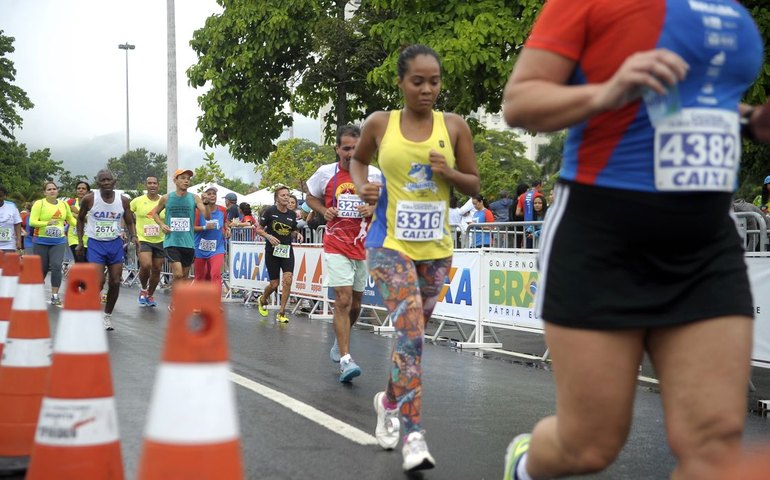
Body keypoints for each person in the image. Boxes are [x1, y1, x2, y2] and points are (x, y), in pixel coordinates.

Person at [500, 2, 763, 479]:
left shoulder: (730, 9)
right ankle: (525, 466)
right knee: (589, 445)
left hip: (705, 246)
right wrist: (609, 90)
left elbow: (695, 102)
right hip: (602, 240)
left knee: (714, 449)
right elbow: (519, 103)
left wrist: (750, 120)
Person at [350, 44, 480, 472]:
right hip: (388, 245)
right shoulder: (380, 123)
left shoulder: (454, 126)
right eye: (418, 82)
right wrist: (363, 185)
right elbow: (358, 161)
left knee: (412, 340)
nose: (427, 90)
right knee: (410, 336)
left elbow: (474, 185)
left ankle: (389, 402)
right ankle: (414, 435)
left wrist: (449, 173)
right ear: (401, 83)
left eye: (434, 82)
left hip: (437, 251)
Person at [305, 124, 381, 383]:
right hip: (335, 244)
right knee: (343, 299)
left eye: (356, 148)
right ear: (337, 149)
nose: (351, 153)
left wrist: (373, 209)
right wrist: (323, 210)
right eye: (346, 148)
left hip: (363, 245)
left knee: (356, 304)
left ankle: (340, 343)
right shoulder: (325, 173)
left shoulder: (375, 175)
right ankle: (346, 360)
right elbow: (310, 197)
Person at [77, 169, 138, 330]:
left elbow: (129, 220)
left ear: (114, 181)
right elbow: (80, 219)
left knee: (115, 281)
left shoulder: (123, 200)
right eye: (102, 180)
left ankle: (107, 316)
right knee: (98, 281)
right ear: (98, 183)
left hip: (114, 244)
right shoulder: (90, 199)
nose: (106, 183)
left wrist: (134, 236)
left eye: (108, 180)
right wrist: (80, 242)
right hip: (95, 244)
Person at [150, 169, 209, 307]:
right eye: (182, 178)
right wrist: (162, 225)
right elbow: (154, 213)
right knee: (177, 274)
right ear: (175, 180)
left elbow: (207, 216)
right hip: (172, 241)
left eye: (188, 178)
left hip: (188, 243)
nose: (186, 180)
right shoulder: (166, 198)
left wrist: (206, 204)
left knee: (184, 275)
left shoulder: (194, 198)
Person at [255, 186, 303, 323]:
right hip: (272, 251)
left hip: (287, 250)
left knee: (288, 280)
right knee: (274, 284)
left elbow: (292, 230)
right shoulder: (270, 211)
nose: (286, 197)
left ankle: (282, 312)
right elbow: (259, 229)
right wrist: (268, 236)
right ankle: (263, 299)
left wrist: (297, 234)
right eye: (283, 195)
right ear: (277, 198)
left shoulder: (292, 214)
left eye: (287, 195)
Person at [29, 181, 76, 306]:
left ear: (57, 191)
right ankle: (36, 290)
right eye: (49, 189)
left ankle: (55, 295)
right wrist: (47, 223)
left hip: (58, 241)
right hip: (41, 240)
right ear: (44, 192)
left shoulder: (63, 204)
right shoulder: (39, 204)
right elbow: (32, 222)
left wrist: (83, 223)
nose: (52, 191)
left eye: (54, 189)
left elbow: (70, 219)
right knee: (42, 268)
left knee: (56, 266)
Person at [130, 176, 165, 307]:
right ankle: (144, 289)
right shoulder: (137, 201)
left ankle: (150, 295)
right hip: (143, 239)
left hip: (160, 239)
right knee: (146, 265)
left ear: (158, 185)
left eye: (155, 183)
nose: (152, 185)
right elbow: (127, 214)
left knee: (157, 269)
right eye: (149, 183)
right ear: (146, 185)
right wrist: (131, 232)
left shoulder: (164, 200)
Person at [193, 185, 228, 295]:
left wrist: (227, 230)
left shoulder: (223, 210)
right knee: (200, 277)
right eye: (209, 194)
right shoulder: (198, 211)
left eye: (214, 194)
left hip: (217, 247)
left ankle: (215, 301)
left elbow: (225, 223)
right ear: (204, 196)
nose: (212, 196)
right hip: (200, 247)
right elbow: (192, 228)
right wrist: (205, 227)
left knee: (215, 274)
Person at [66, 181, 90, 263]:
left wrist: (76, 213)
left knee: (87, 262)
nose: (80, 190)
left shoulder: (92, 203)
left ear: (88, 191)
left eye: (83, 188)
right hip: (74, 236)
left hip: (88, 237)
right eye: (78, 188)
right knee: (79, 260)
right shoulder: (70, 202)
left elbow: (90, 220)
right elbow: (66, 217)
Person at [0, 185, 22, 253]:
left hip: (9, 245)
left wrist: (19, 240)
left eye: (0, 196)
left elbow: (17, 223)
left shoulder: (12, 206)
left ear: (4, 196)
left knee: (9, 260)